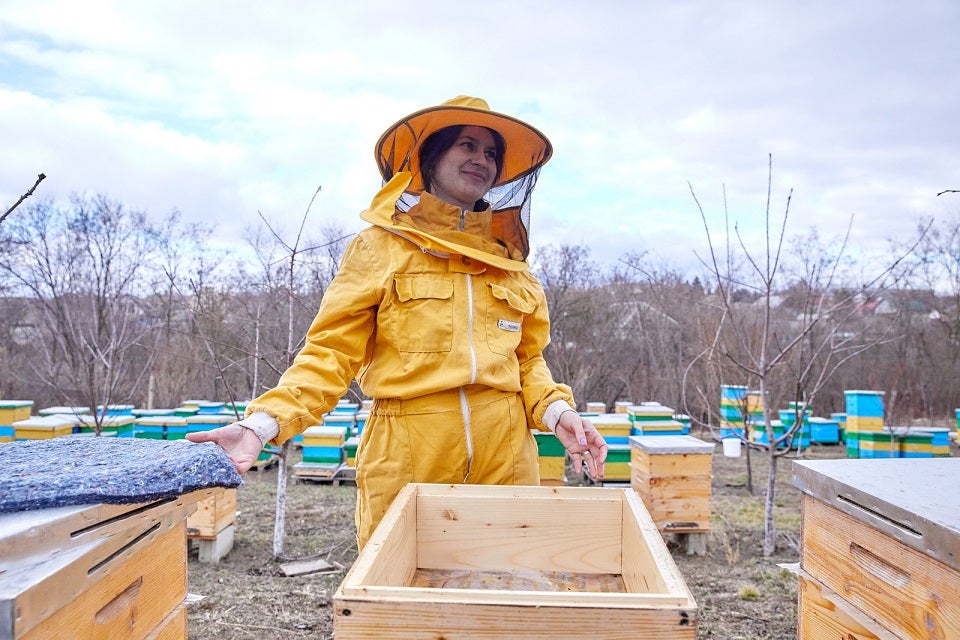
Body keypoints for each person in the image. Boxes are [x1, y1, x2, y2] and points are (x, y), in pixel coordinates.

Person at [188, 96, 608, 549]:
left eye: (491, 154)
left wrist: (558, 412)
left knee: (503, 591)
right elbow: (331, 353)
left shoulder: (510, 265)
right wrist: (262, 425)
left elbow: (527, 362)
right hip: (408, 454)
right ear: (433, 156)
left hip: (506, 457)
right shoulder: (379, 248)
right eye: (467, 145)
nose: (481, 160)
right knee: (404, 601)